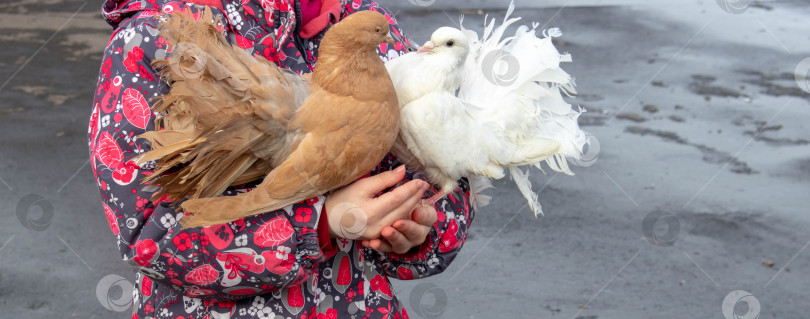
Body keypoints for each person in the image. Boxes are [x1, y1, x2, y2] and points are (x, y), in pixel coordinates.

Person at [87, 0, 475, 317]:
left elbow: (444, 164)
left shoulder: (363, 21)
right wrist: (321, 223)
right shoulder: (151, 37)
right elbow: (147, 238)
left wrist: (418, 227)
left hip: (357, 306)